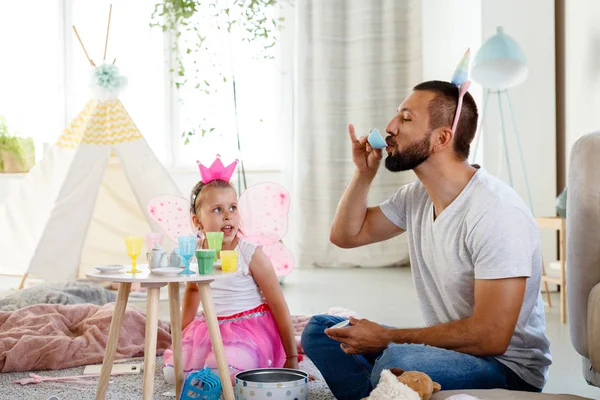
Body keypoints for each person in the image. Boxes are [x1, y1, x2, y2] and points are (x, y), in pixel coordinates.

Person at [301, 80, 552, 399]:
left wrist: (387, 338)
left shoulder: (497, 211)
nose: (390, 127)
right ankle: (382, 391)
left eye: (405, 119)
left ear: (442, 138)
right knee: (320, 330)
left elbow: (492, 337)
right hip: (451, 352)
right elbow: (345, 236)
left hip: (505, 369)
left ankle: (380, 388)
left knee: (396, 360)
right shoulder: (416, 197)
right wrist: (363, 173)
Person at [163, 169, 298, 385]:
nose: (228, 215)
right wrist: (179, 335)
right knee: (173, 374)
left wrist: (291, 357)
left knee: (223, 375)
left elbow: (278, 304)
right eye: (217, 209)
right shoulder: (196, 252)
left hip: (248, 328)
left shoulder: (250, 254)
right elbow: (192, 290)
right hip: (210, 327)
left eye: (233, 208)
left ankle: (240, 360)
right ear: (197, 221)